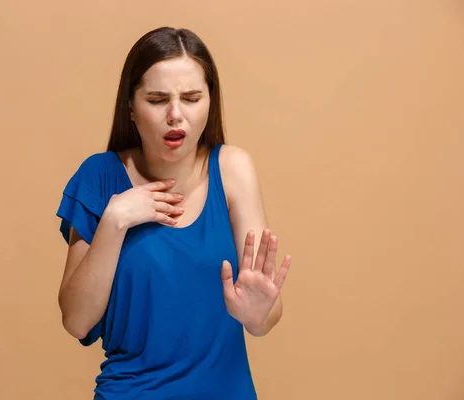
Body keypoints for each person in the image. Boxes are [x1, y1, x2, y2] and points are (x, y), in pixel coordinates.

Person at [56, 26, 292, 400]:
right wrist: (116, 220)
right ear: (130, 106)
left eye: (192, 97)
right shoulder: (99, 177)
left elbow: (264, 319)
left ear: (210, 102)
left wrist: (257, 312)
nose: (175, 114)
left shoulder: (233, 170)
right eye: (157, 99)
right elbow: (76, 320)